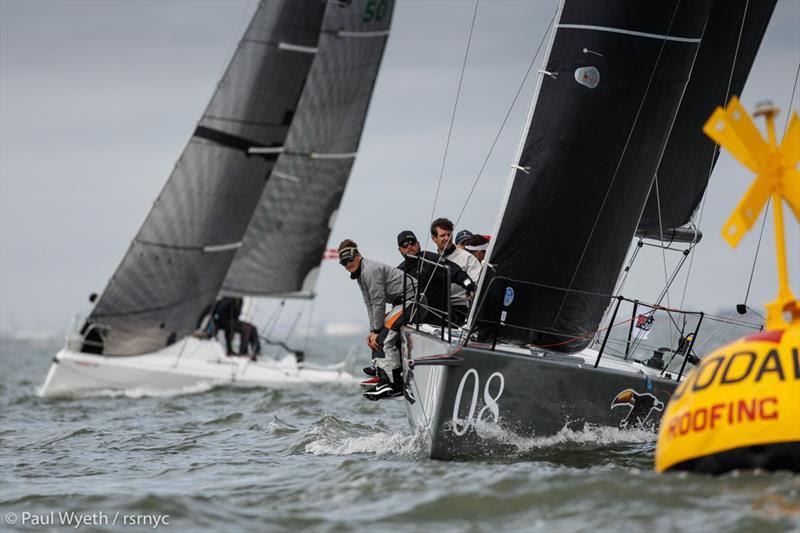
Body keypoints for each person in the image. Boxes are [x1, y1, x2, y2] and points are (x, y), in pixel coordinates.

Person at [339, 239, 420, 400]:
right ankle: (381, 371)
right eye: (344, 262)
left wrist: (377, 331)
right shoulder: (360, 275)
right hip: (401, 303)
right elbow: (369, 304)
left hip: (414, 301)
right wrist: (372, 331)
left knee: (384, 337)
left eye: (350, 259)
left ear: (358, 255)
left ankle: (393, 383)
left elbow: (378, 302)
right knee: (376, 337)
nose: (348, 263)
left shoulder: (370, 270)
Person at [396, 230, 475, 326]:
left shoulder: (430, 259)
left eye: (412, 242)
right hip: (412, 320)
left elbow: (457, 274)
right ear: (399, 250)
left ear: (418, 244)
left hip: (438, 318)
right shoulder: (399, 271)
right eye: (404, 245)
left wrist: (470, 287)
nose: (409, 246)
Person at [430, 218, 482, 319]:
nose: (447, 238)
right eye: (442, 235)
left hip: (461, 310)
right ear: (433, 238)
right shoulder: (433, 259)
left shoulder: (467, 258)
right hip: (438, 308)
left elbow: (478, 286)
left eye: (449, 235)